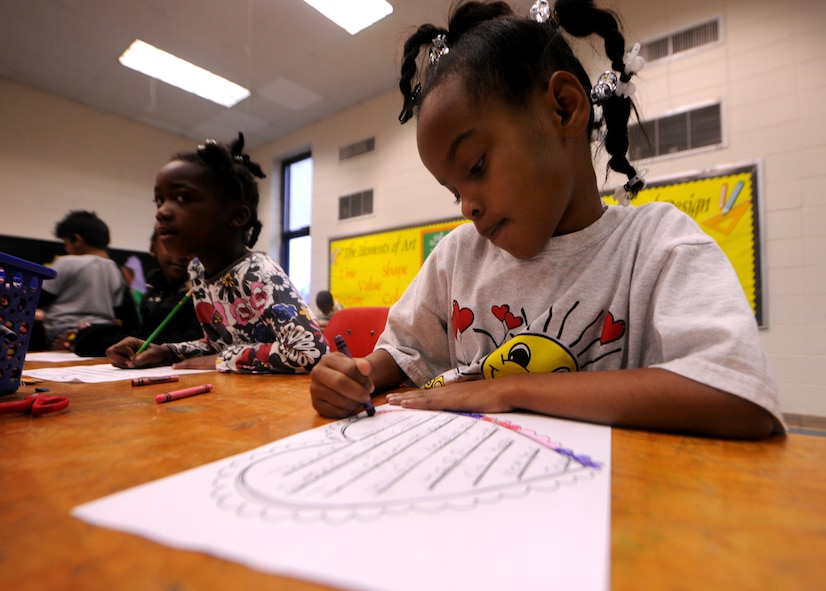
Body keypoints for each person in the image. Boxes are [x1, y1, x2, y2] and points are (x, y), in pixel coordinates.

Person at [309, 0, 785, 439]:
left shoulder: (657, 245)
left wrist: (508, 391)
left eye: (476, 166)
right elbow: (403, 354)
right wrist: (357, 375)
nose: (466, 206)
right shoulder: (457, 257)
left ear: (564, 108)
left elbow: (738, 392)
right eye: (455, 191)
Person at [106, 133, 328, 373]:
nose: (162, 212)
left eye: (182, 198)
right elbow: (218, 345)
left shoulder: (257, 272)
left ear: (236, 217)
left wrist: (224, 360)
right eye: (159, 201)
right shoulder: (198, 271)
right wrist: (168, 351)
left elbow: (310, 351)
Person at [37, 210, 139, 351]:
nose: (66, 248)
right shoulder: (115, 269)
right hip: (102, 334)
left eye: (65, 242)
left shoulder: (67, 262)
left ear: (77, 240)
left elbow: (40, 298)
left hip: (65, 333)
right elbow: (121, 309)